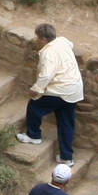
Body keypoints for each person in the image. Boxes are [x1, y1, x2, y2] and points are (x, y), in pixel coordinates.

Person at [18, 23, 85, 163]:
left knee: (34, 106)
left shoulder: (48, 53)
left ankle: (33, 135)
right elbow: (70, 44)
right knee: (66, 123)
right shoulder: (62, 41)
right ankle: (67, 157)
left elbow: (46, 76)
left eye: (37, 38)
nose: (36, 41)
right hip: (74, 90)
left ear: (43, 39)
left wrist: (35, 89)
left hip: (60, 89)